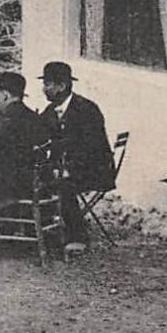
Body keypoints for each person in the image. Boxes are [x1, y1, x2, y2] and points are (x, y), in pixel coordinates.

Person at [39, 61, 116, 253]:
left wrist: (67, 168)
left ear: (62, 86)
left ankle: (77, 236)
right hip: (67, 168)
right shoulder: (50, 112)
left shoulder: (87, 110)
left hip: (95, 169)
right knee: (40, 180)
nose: (44, 89)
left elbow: (93, 148)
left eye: (48, 84)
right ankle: (46, 231)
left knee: (63, 185)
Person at [0, 72, 47, 220]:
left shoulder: (4, 121)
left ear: (5, 95)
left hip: (11, 187)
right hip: (36, 183)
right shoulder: (35, 118)